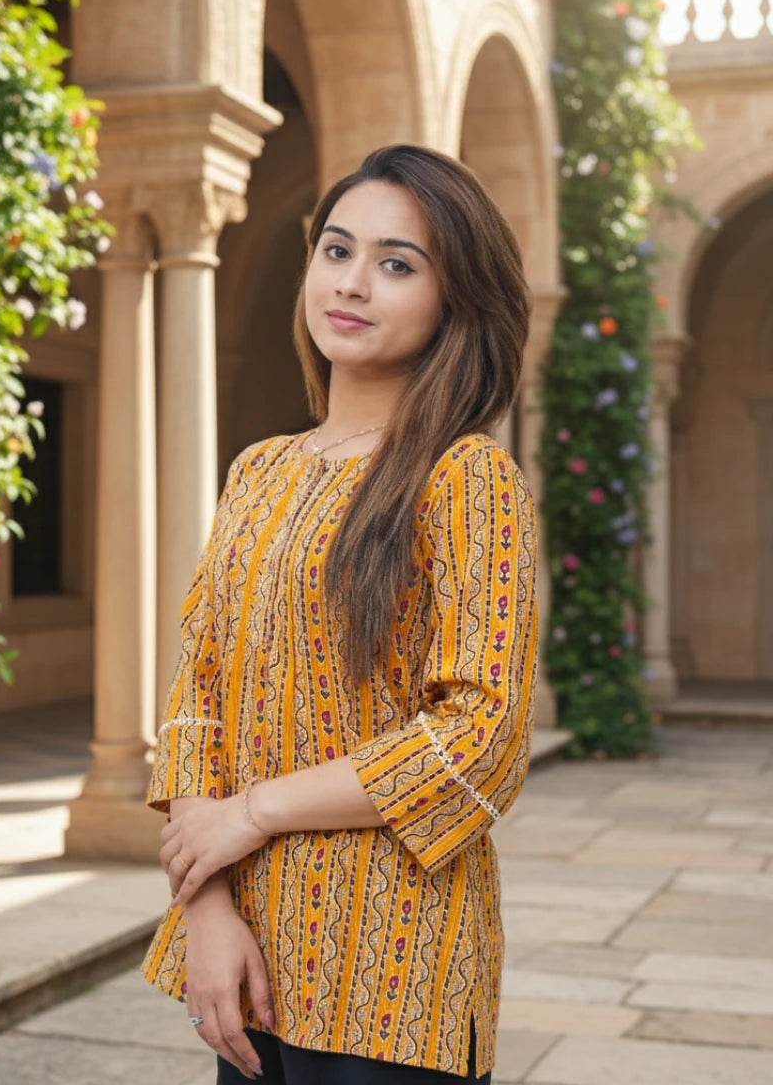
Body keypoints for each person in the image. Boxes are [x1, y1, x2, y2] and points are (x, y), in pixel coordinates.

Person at [142, 144, 539, 1083]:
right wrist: (207, 913)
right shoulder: (258, 471)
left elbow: (480, 734)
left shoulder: (466, 476)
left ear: (455, 300)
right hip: (251, 964)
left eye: (398, 264)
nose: (353, 283)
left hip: (397, 979)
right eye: (336, 250)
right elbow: (198, 699)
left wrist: (255, 812)